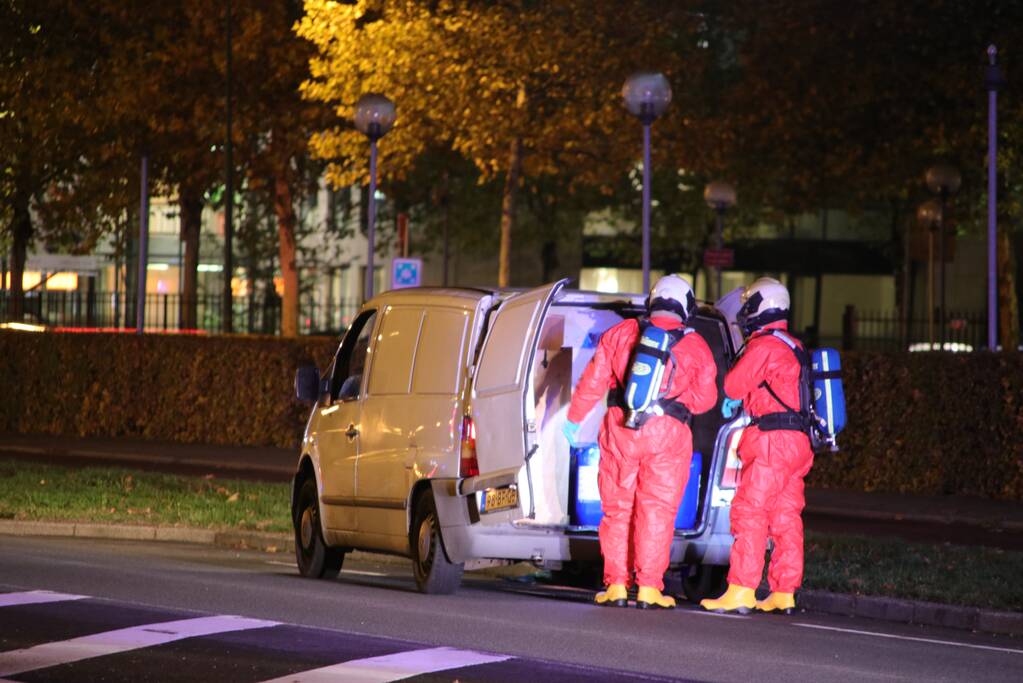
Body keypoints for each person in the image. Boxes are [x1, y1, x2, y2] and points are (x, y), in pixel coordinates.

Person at [563, 274, 717, 609]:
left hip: (621, 427)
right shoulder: (695, 345)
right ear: (686, 307)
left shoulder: (621, 333)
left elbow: (593, 382)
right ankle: (649, 588)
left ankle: (616, 586)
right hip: (668, 434)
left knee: (618, 510)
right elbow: (706, 400)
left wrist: (573, 420)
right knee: (656, 511)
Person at [700, 277, 813, 615]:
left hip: (771, 442)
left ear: (760, 308)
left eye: (749, 306)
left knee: (750, 512)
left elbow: (734, 386)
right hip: (798, 442)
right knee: (786, 518)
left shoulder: (763, 346)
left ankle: (741, 590)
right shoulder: (794, 345)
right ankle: (784, 592)